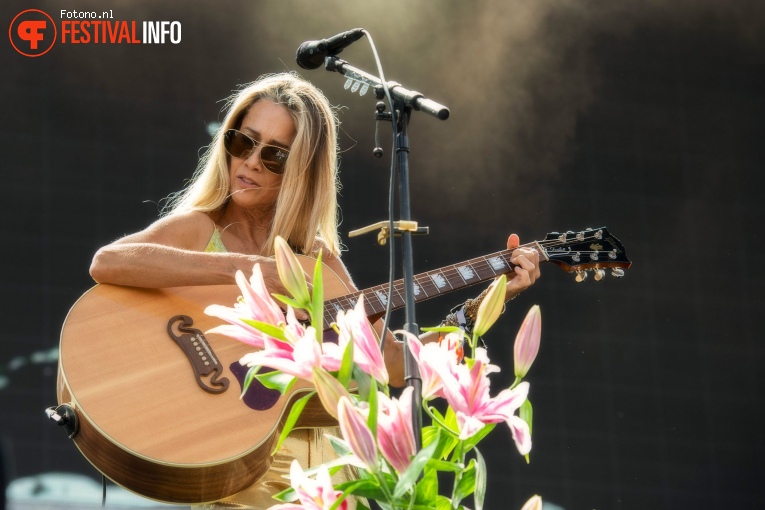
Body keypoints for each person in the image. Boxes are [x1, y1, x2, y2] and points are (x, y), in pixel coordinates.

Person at [89, 72, 540, 509]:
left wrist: (488, 303)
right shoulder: (200, 227)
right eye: (243, 142)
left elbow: (393, 364)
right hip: (241, 483)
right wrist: (252, 269)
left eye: (274, 156)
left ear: (302, 172)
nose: (249, 162)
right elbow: (107, 263)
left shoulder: (317, 258)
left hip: (329, 480)